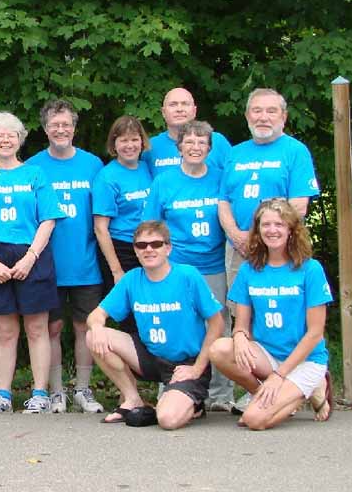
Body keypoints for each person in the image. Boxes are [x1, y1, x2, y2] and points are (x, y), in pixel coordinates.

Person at [218, 87, 320, 413]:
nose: (263, 117)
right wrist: (236, 234)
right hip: (239, 249)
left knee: (286, 313)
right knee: (242, 316)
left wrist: (263, 237)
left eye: (271, 111)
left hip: (280, 248)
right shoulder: (235, 153)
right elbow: (223, 201)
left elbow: (299, 206)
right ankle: (255, 388)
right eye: (257, 111)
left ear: (283, 117)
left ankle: (298, 379)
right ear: (247, 115)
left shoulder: (295, 151)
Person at [0, 111, 65, 414]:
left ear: (20, 140)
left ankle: (40, 393)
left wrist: (31, 257)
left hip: (32, 253)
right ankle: (4, 395)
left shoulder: (35, 174)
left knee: (37, 328)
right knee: (5, 331)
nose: (5, 139)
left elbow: (48, 219)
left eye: (11, 134)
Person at [86, 221, 224, 429]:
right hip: (151, 356)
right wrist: (97, 327)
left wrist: (197, 369)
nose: (148, 249)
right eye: (141, 245)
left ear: (168, 248)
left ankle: (193, 404)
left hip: (185, 363)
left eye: (156, 244)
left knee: (168, 420)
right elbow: (96, 315)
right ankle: (133, 399)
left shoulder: (188, 276)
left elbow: (217, 323)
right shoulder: (132, 279)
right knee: (93, 336)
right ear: (135, 250)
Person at [209, 199, 333, 430]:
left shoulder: (310, 269)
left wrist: (280, 375)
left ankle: (311, 387)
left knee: (254, 420)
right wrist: (239, 337)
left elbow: (315, 333)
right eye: (265, 224)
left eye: (279, 224)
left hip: (304, 359)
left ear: (291, 230)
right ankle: (266, 395)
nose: (272, 230)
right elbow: (241, 325)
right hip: (267, 356)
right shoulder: (249, 269)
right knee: (219, 349)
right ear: (257, 230)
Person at [142, 120, 234, 411]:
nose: (195, 147)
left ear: (210, 148)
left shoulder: (221, 178)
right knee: (176, 326)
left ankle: (220, 394)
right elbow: (150, 226)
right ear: (179, 147)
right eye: (189, 142)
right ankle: (172, 386)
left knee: (219, 325)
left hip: (213, 265)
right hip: (177, 266)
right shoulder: (164, 182)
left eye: (201, 142)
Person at [25, 99, 105, 414]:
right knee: (52, 328)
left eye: (66, 124)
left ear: (74, 127)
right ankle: (56, 391)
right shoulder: (33, 167)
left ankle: (83, 389)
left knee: (86, 327)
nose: (61, 129)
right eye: (54, 125)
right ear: (45, 129)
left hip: (85, 261)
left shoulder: (93, 164)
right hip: (47, 263)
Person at [93, 115, 154, 289]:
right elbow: (100, 228)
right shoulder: (106, 177)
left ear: (142, 142)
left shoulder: (147, 168)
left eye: (134, 139)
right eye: (123, 140)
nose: (130, 145)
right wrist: (116, 271)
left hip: (150, 246)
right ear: (114, 144)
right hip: (122, 249)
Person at [141, 87, 232, 177]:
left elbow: (233, 176)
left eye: (185, 104)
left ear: (194, 111)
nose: (179, 109)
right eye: (173, 104)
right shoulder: (151, 146)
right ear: (163, 112)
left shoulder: (216, 141)